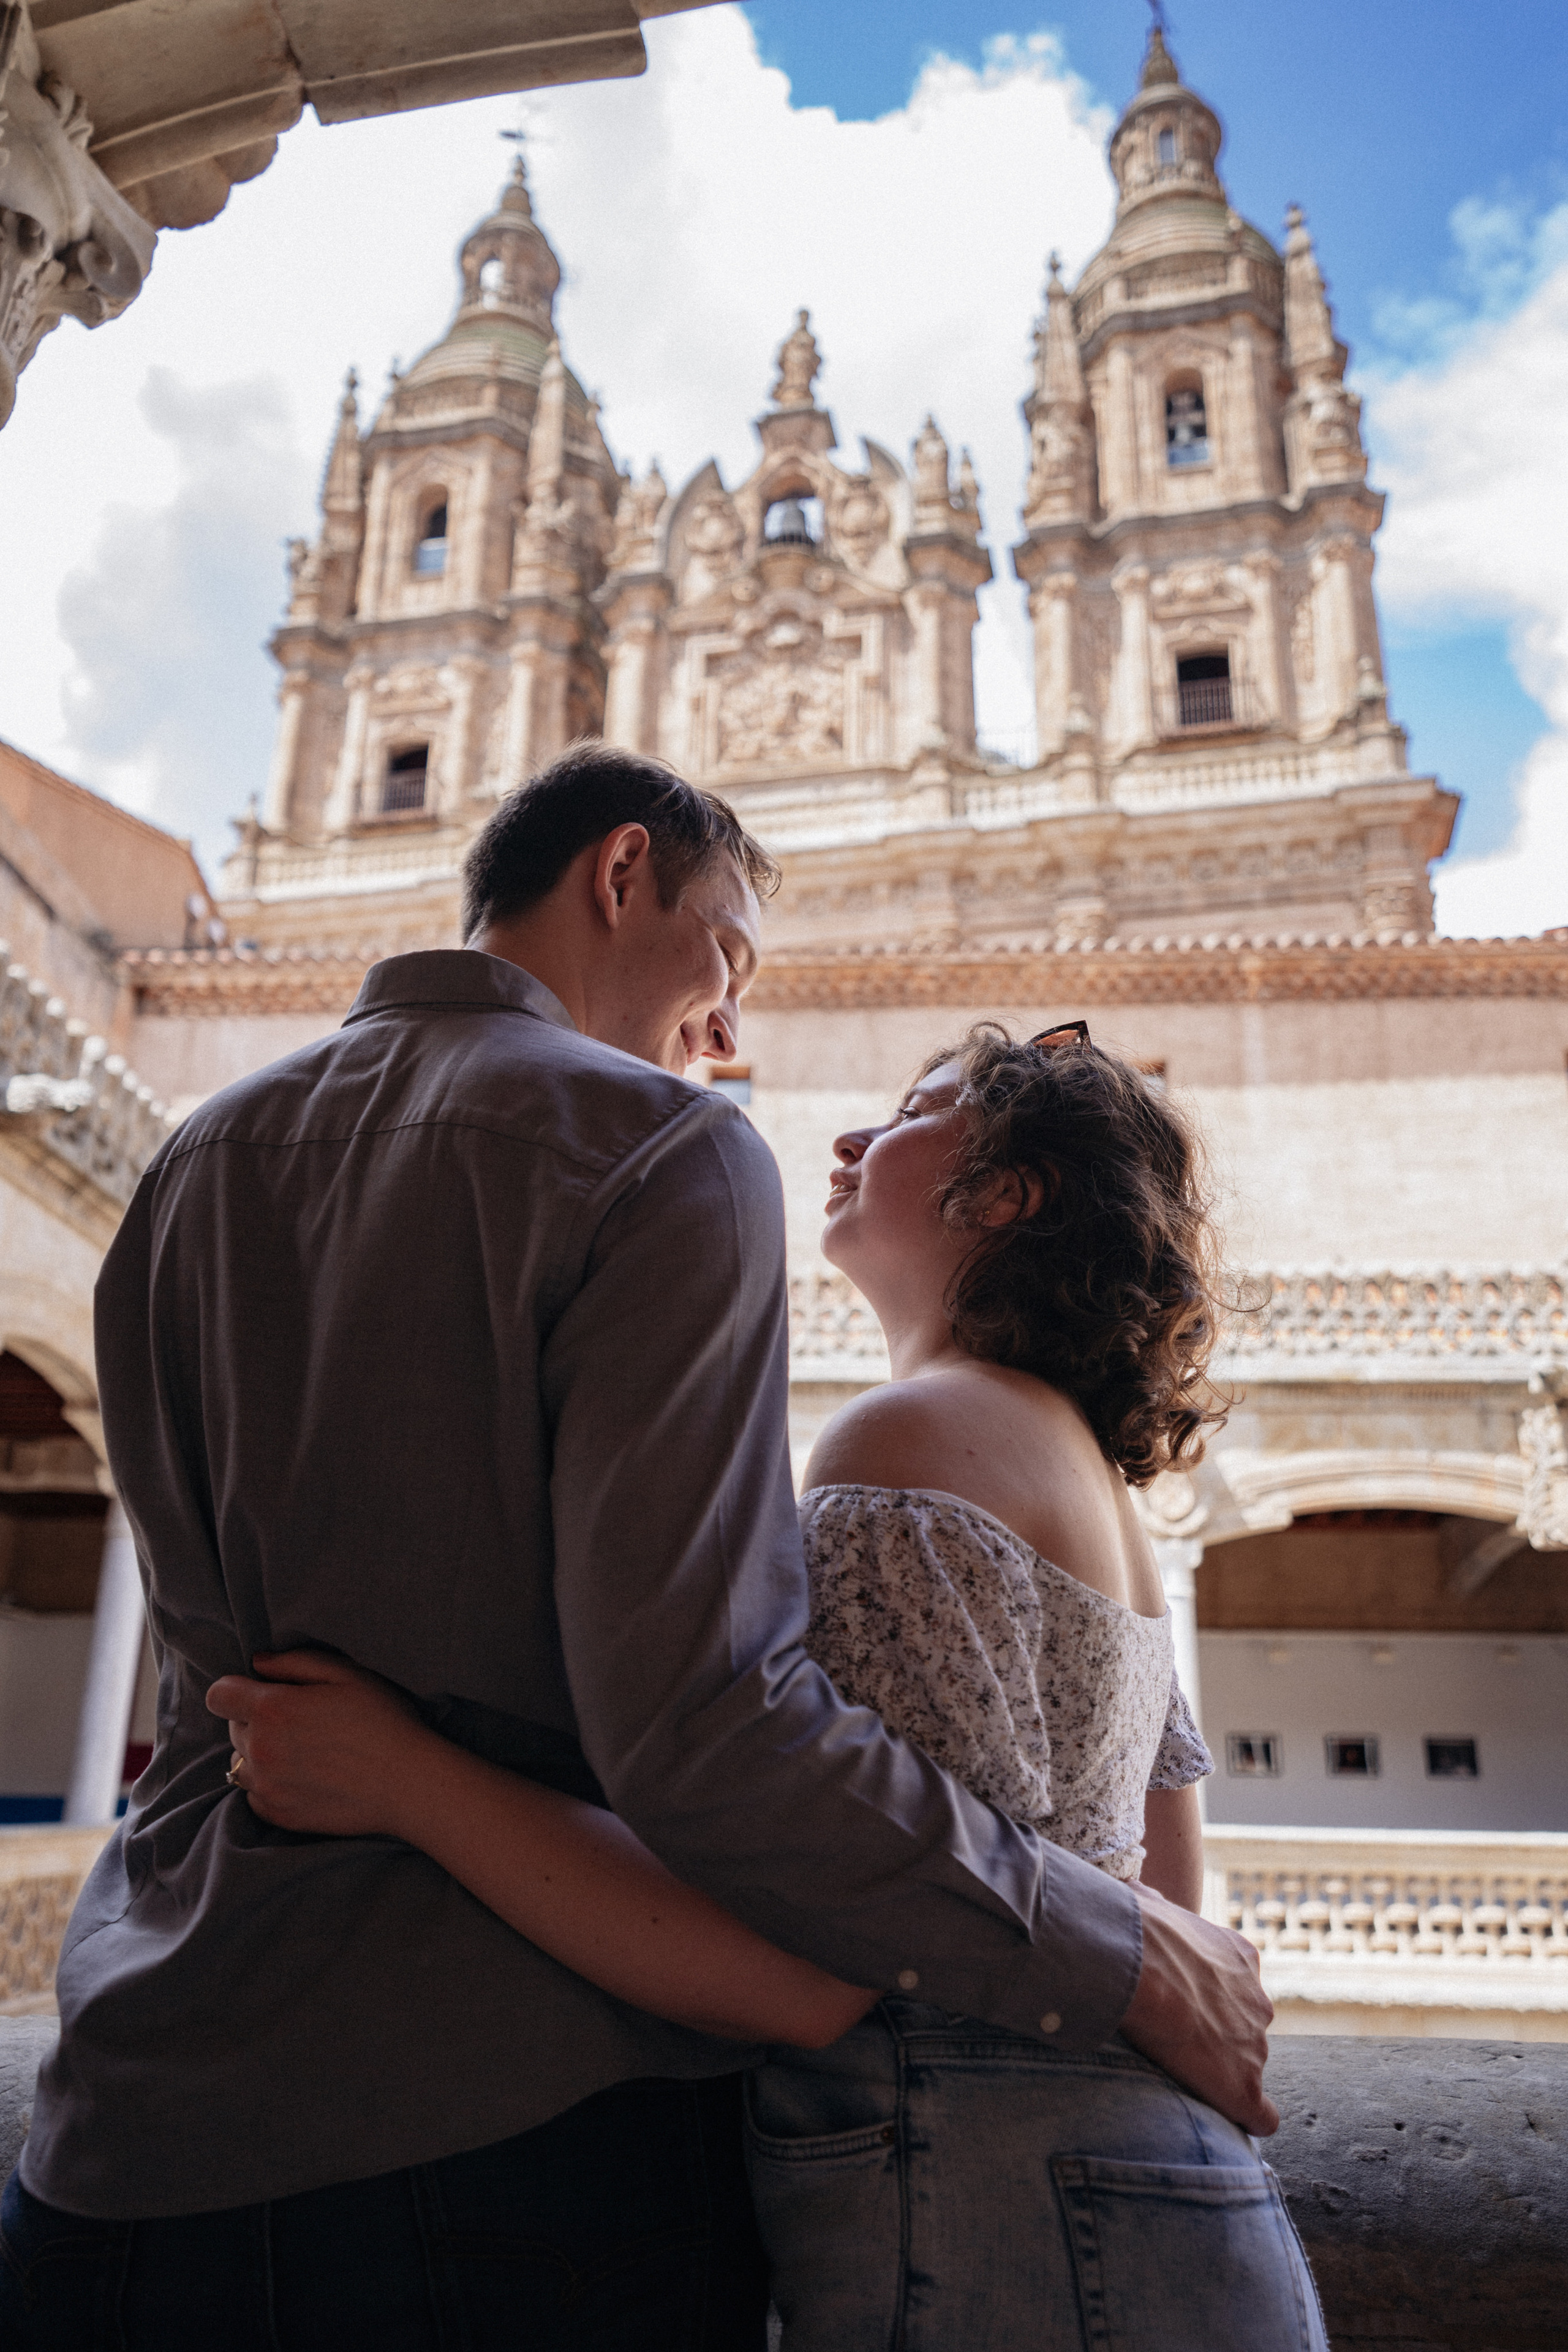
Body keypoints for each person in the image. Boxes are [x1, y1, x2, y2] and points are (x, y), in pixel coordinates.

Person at [2, 744, 1275, 2350]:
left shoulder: (192, 1162)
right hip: (501, 2152)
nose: (733, 1034)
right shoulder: (659, 1149)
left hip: (122, 2117)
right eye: (728, 955)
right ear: (619, 877)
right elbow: (714, 1738)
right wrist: (1124, 1955)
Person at [208, 1018, 1327, 2350]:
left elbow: (803, 1970)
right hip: (1167, 2188)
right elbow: (1166, 1905)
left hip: (990, 2199)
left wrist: (406, 1781)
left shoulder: (908, 1437)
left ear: (1012, 1194)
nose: (853, 1137)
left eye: (916, 1113)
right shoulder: (1092, 1487)